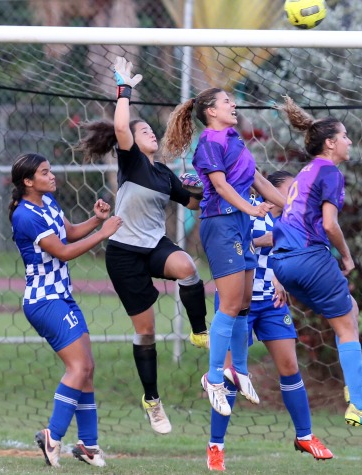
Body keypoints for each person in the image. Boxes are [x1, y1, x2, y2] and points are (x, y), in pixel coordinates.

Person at [75, 56, 209, 435]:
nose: (151, 133)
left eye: (152, 129)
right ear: (131, 140)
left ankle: (199, 330)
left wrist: (203, 184)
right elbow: (121, 123)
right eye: (144, 129)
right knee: (146, 332)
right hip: (123, 254)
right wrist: (124, 89)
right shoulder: (131, 160)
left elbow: (195, 203)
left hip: (153, 245)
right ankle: (152, 400)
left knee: (187, 267)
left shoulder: (164, 173)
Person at [162, 87, 287, 418]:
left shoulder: (234, 138)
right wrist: (252, 208)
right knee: (230, 305)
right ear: (210, 111)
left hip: (241, 224)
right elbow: (220, 186)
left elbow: (257, 178)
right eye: (226, 101)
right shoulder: (209, 143)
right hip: (221, 225)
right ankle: (214, 377)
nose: (233, 105)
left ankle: (239, 371)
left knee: (244, 302)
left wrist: (288, 207)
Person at [269, 96, 362, 433]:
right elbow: (329, 225)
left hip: (283, 264)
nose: (350, 141)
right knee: (346, 328)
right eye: (346, 136)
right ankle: (358, 405)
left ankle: (359, 384)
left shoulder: (306, 171)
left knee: (349, 307)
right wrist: (347, 256)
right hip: (310, 258)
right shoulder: (330, 173)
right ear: (330, 143)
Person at [206, 171, 333, 471]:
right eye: (290, 190)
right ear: (271, 191)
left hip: (272, 304)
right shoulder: (251, 210)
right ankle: (216, 447)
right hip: (237, 303)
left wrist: (282, 278)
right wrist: (275, 240)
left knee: (290, 366)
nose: (295, 197)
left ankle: (305, 436)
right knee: (230, 375)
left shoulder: (290, 222)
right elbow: (244, 242)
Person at [9, 152, 122, 468]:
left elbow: (68, 232)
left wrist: (95, 221)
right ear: (28, 181)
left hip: (61, 296)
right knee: (78, 367)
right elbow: (63, 252)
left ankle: (88, 445)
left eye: (50, 170)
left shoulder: (46, 204)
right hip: (44, 301)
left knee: (87, 367)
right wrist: (103, 234)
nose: (52, 175)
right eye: (45, 172)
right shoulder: (24, 215)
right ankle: (52, 436)